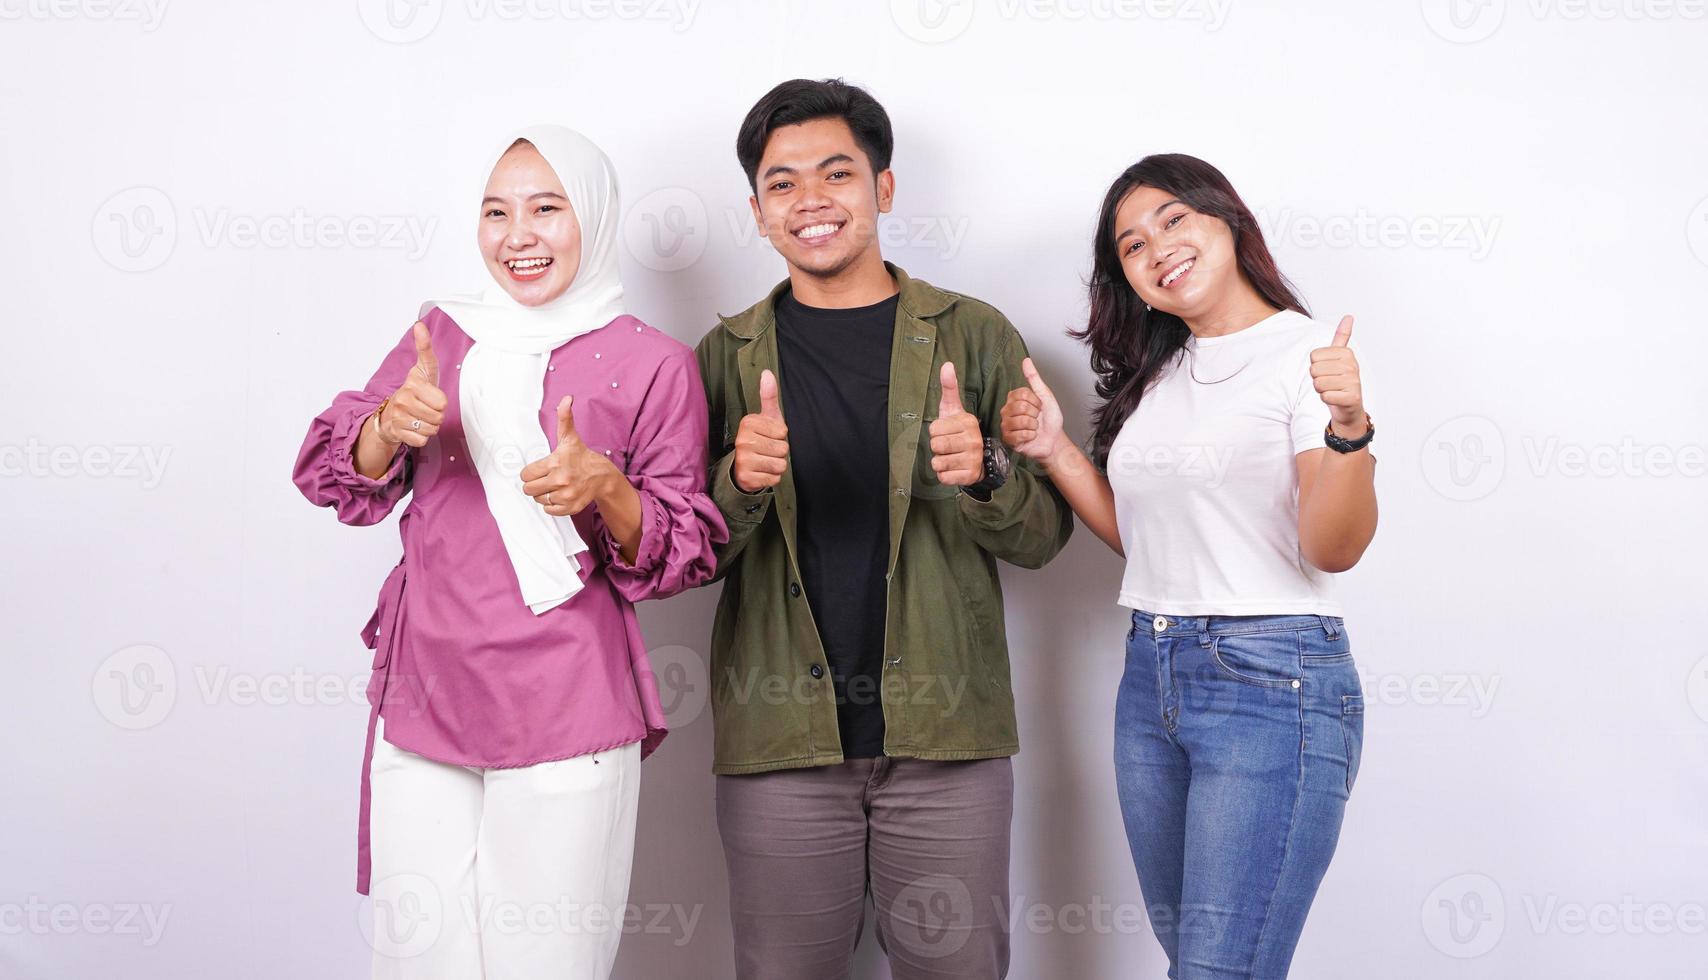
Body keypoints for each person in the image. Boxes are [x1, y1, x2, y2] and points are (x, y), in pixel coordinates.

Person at [291, 126, 725, 979]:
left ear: (593, 219)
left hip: (566, 697)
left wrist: (607, 489)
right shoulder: (443, 338)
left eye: (546, 208)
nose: (517, 234)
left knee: (546, 961)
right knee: (420, 958)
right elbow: (336, 474)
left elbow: (686, 553)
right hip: (428, 692)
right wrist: (387, 427)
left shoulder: (655, 364)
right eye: (496, 211)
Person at [693, 77, 1074, 980]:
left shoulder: (974, 335)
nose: (811, 200)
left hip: (948, 740)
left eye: (837, 173)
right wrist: (736, 483)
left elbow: (1043, 540)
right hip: (780, 744)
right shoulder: (722, 358)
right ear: (756, 211)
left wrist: (983, 472)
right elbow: (682, 556)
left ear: (884, 188)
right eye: (783, 184)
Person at [1000, 154, 1377, 978]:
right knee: (1201, 960)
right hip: (1153, 676)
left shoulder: (1307, 355)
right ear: (1130, 282)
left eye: (1173, 220)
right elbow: (1152, 542)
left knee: (1217, 970)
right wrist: (1055, 449)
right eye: (1132, 246)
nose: (1157, 248)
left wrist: (1348, 427)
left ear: (1228, 222)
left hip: (1274, 679)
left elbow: (1332, 548)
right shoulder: (1161, 374)